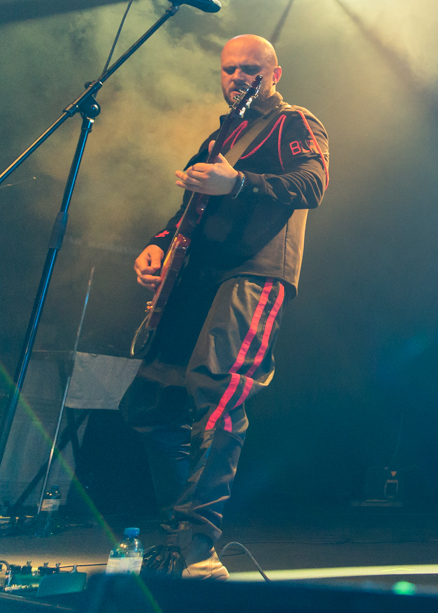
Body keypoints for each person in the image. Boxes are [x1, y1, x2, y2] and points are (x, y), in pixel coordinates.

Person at [121, 35, 329, 579]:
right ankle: (175, 538)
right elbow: (188, 211)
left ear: (274, 74)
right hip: (197, 278)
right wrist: (157, 246)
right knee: (150, 402)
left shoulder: (292, 121)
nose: (238, 77)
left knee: (217, 391)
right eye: (230, 69)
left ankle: (197, 547)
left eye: (250, 69)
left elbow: (312, 184)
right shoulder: (219, 137)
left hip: (254, 273)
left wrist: (237, 182)